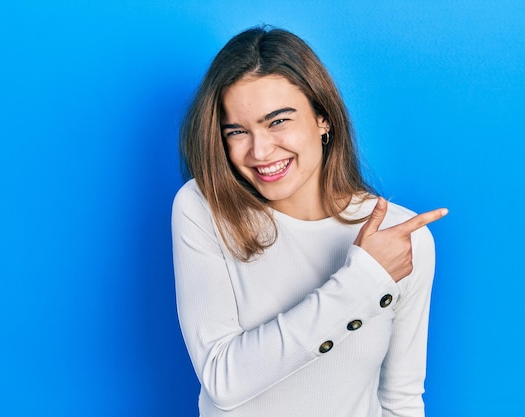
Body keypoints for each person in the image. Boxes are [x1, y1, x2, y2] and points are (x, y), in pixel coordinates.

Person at [172, 26, 447, 417]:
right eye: (237, 131)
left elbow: (400, 402)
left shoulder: (400, 239)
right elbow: (223, 381)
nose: (260, 151)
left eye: (278, 121)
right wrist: (363, 280)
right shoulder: (204, 207)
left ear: (323, 118)